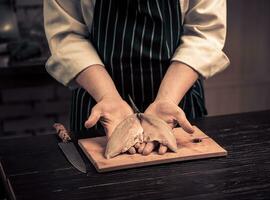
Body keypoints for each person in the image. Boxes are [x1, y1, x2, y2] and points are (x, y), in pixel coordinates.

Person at [44, 0, 229, 155]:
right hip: (101, 106)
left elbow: (204, 33)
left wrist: (167, 98)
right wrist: (107, 97)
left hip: (176, 103)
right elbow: (67, 37)